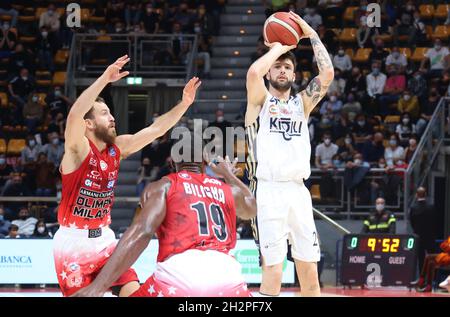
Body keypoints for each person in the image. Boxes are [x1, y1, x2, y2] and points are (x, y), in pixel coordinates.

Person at [53, 55, 201, 297]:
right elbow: (73, 117)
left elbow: (156, 129)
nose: (112, 118)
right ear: (88, 124)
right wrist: (104, 79)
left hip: (106, 241)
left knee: (135, 293)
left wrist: (183, 104)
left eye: (110, 112)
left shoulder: (117, 148)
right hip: (73, 244)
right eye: (103, 113)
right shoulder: (77, 150)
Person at [71, 140, 257, 297]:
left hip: (179, 276)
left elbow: (141, 232)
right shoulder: (227, 189)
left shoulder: (163, 186)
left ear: (172, 163)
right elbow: (251, 208)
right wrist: (229, 175)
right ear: (204, 162)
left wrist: (97, 287)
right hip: (227, 276)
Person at [245, 12, 333, 297]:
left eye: (287, 68)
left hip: (298, 191)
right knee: (273, 270)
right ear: (270, 71)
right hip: (267, 191)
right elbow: (253, 73)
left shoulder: (301, 104)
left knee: (309, 269)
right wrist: (280, 47)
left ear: (294, 75)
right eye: (278, 67)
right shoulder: (259, 101)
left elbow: (328, 75)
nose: (282, 70)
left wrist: (311, 34)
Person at [409, 187, 436, 278]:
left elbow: (411, 222)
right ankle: (432, 280)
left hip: (418, 236)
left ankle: (421, 279)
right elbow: (435, 221)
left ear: (416, 195)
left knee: (421, 259)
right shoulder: (431, 207)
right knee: (432, 258)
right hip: (430, 236)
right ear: (425, 194)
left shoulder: (413, 208)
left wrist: (416, 230)